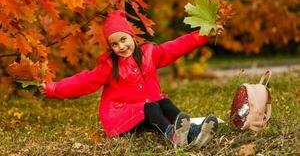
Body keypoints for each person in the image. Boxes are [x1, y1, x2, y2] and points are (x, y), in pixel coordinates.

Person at [38, 9, 223, 148]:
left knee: (163, 102)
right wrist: (52, 89)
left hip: (147, 112)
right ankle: (171, 135)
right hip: (122, 116)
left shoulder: (149, 53)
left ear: (132, 37)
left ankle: (193, 132)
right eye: (114, 44)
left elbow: (175, 47)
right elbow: (84, 81)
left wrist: (202, 35)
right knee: (151, 106)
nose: (121, 46)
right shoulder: (110, 66)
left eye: (123, 39)